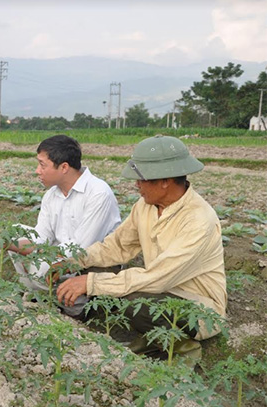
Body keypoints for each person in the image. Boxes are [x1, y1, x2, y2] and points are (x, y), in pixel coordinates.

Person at [56, 135, 226, 358]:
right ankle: (91, 325)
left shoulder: (199, 221)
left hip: (197, 305)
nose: (136, 185)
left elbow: (158, 278)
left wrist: (91, 283)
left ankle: (178, 344)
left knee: (133, 301)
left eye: (141, 179)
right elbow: (116, 246)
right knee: (97, 275)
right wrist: (72, 262)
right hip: (158, 288)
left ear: (164, 180)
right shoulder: (146, 206)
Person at [6, 135, 121, 316]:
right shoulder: (52, 195)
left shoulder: (98, 193)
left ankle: (76, 309)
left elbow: (81, 249)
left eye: (42, 165)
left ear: (64, 167)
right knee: (13, 234)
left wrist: (41, 254)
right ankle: (42, 297)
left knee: (42, 266)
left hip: (91, 263)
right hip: (61, 257)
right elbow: (41, 236)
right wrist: (8, 242)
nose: (37, 171)